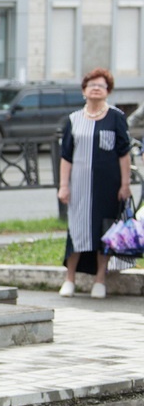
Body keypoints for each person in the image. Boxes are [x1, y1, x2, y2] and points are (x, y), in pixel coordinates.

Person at [57, 68, 132, 299]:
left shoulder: (116, 117)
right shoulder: (74, 119)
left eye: (102, 85)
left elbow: (124, 153)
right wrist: (63, 185)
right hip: (79, 186)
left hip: (108, 186)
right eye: (92, 85)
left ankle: (100, 279)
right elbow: (66, 155)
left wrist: (125, 184)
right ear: (84, 90)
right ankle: (70, 278)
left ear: (108, 91)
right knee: (76, 230)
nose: (96, 88)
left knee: (104, 230)